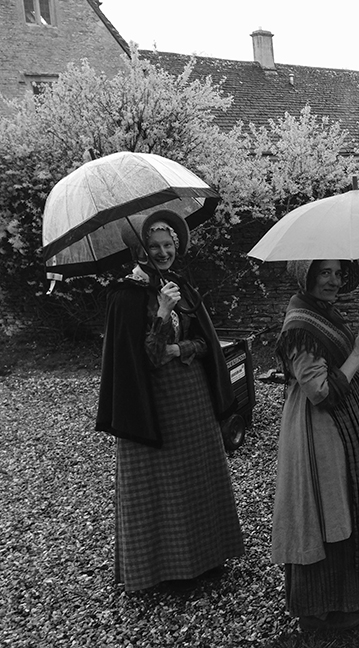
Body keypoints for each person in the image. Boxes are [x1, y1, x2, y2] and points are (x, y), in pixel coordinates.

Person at [95, 210, 244, 592]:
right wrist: (162, 312)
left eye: (167, 245)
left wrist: (181, 348)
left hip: (192, 398)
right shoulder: (125, 295)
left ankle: (207, 557)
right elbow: (145, 359)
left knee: (198, 476)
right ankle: (167, 571)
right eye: (154, 246)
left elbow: (204, 343)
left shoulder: (179, 285)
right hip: (153, 405)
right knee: (164, 485)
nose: (162, 252)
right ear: (139, 249)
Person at [271, 259, 359, 633]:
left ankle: (349, 597)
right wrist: (358, 354)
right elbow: (319, 392)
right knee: (328, 515)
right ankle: (319, 612)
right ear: (306, 275)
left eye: (338, 273)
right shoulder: (300, 325)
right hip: (321, 434)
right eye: (324, 273)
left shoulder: (321, 312)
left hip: (344, 429)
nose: (334, 280)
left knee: (351, 509)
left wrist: (354, 346)